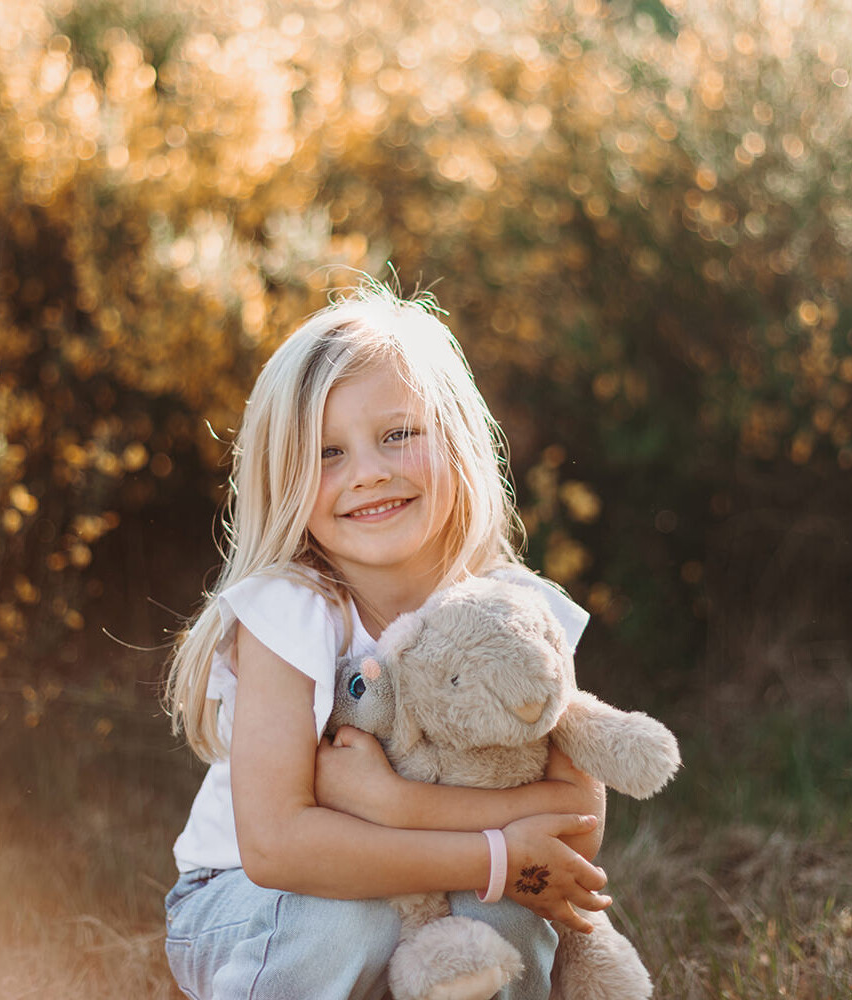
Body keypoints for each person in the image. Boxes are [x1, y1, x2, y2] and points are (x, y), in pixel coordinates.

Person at [161, 281, 610, 1000]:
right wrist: (496, 852)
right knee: (357, 920)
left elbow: (577, 824)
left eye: (397, 434)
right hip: (246, 900)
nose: (368, 472)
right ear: (286, 483)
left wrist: (400, 809)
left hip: (429, 887)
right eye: (326, 452)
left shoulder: (514, 613)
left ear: (457, 440)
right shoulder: (291, 614)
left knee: (501, 920)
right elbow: (277, 846)